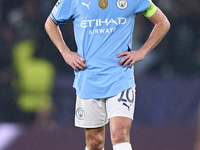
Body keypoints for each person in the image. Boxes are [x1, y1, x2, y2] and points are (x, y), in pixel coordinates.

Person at [45, 0, 170, 149]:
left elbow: (162, 22)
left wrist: (142, 51)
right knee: (94, 142)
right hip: (88, 77)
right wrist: (65, 53)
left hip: (120, 76)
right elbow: (51, 23)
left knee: (120, 134)